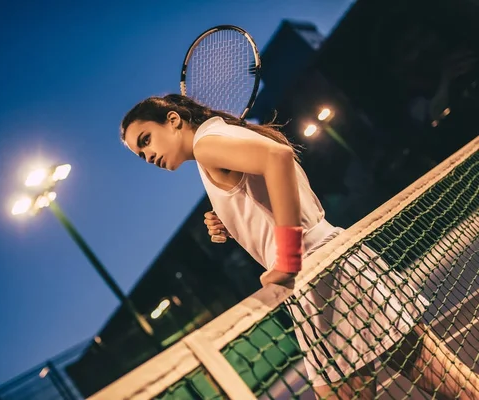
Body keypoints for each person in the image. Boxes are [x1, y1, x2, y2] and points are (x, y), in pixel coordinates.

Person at [120, 93, 479, 399]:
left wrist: (288, 256)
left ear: (173, 120)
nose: (146, 155)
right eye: (138, 153)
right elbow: (267, 187)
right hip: (327, 271)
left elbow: (278, 159)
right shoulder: (213, 142)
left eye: (145, 140)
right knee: (446, 380)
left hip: (321, 273)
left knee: (445, 382)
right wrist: (231, 218)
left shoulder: (207, 142)